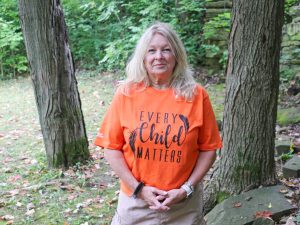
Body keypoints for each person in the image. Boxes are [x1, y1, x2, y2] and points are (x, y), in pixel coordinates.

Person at [94, 22, 222, 225]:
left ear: (176, 55)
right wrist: (138, 189)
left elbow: (209, 149)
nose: (159, 56)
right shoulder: (126, 94)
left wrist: (185, 189)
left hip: (183, 206)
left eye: (166, 50)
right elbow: (111, 148)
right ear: (143, 57)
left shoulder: (197, 96)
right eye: (151, 50)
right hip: (135, 203)